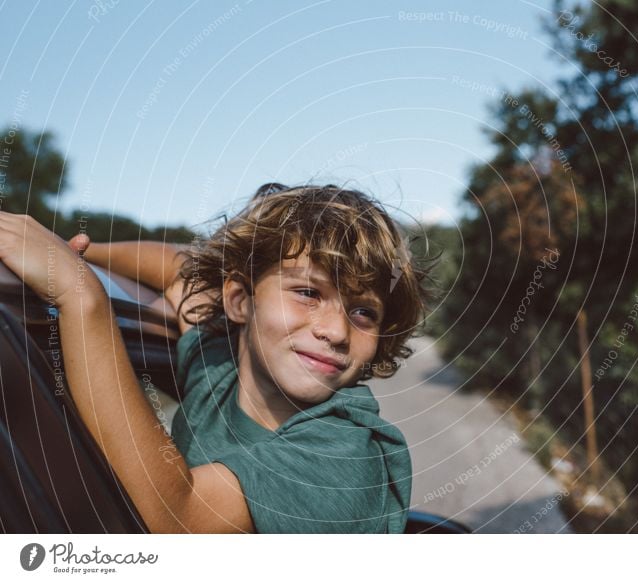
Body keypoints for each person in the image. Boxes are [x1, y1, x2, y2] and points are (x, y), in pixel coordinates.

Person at [0, 183, 434, 533]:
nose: (336, 331)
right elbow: (178, 269)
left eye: (363, 312)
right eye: (308, 292)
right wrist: (75, 254)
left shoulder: (345, 455)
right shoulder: (220, 368)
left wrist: (80, 295)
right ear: (240, 301)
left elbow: (179, 521)